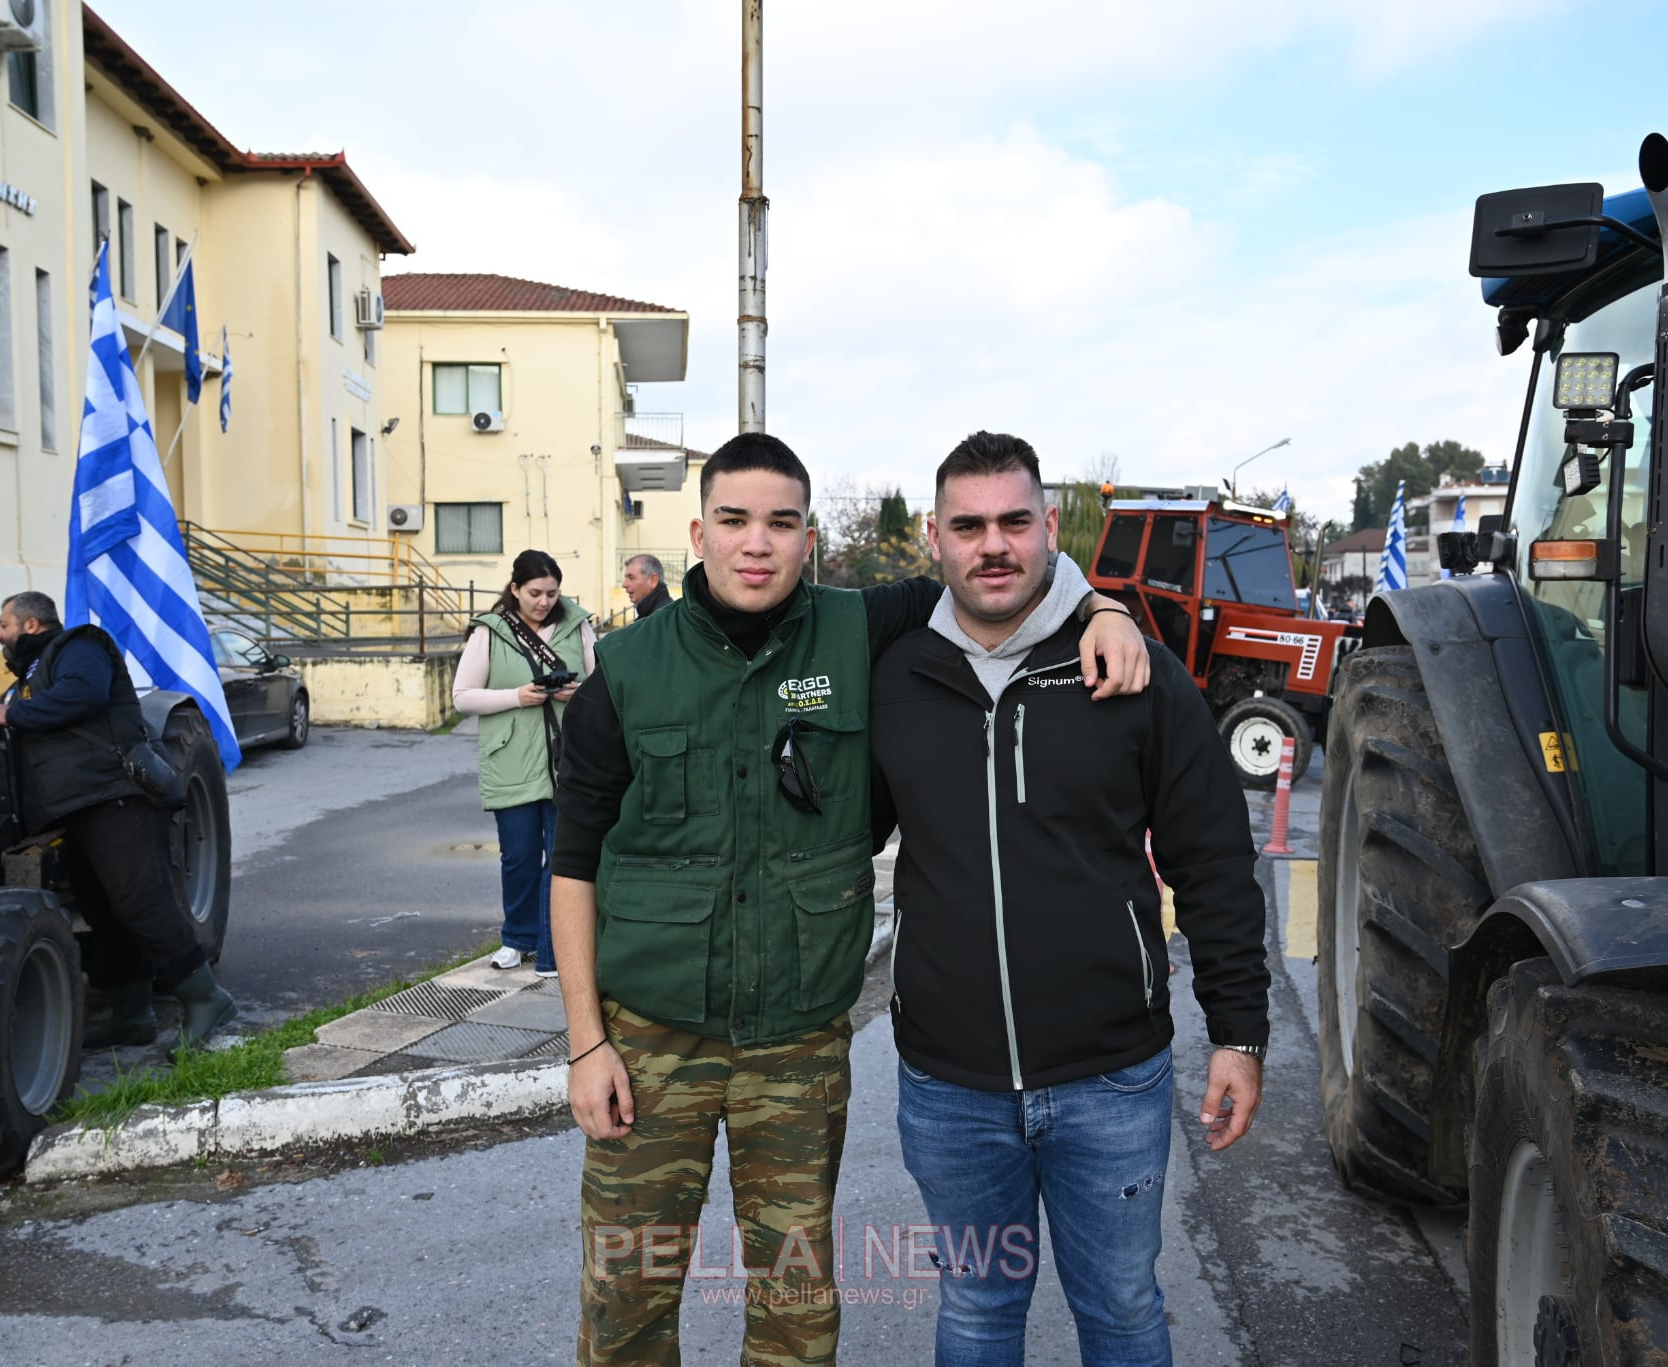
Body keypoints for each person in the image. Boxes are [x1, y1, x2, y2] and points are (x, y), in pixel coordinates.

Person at [550, 431, 1152, 1366]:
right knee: (627, 1296)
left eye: (781, 523)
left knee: (796, 1308)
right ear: (698, 531)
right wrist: (587, 1042)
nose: (758, 544)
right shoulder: (626, 672)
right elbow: (574, 864)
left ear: (810, 537)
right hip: (649, 1039)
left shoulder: (862, 625)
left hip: (796, 1041)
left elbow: (999, 566)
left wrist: (1103, 606)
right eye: (736, 521)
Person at [870, 433, 1271, 1366]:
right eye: (968, 526)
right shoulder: (895, 678)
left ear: (1052, 528)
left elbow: (1210, 858)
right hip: (950, 1086)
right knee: (975, 1310)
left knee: (1125, 1310)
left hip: (1109, 1081)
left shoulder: (1133, 672)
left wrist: (1238, 1032)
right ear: (934, 538)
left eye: (1015, 520)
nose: (993, 544)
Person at [0, 591, 236, 1051]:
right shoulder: (27, 681)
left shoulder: (79, 645)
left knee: (142, 902)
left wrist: (11, 713)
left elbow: (83, 694)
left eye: (3, 624)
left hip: (114, 799)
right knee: (104, 912)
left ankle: (205, 1000)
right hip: (74, 810)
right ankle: (131, 1013)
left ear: (32, 625)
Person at [455, 550, 597, 977]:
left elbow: (607, 685)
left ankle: (554, 952)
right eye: (535, 593)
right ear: (514, 589)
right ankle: (517, 938)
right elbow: (462, 697)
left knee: (562, 857)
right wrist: (517, 696)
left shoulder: (579, 624)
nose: (544, 602)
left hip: (568, 757)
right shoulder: (491, 631)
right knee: (518, 855)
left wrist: (580, 694)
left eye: (552, 593)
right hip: (510, 758)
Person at [621, 553, 671, 619]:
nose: (624, 584)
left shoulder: (663, 618)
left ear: (653, 580)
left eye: (631, 577)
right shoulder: (651, 614)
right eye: (626, 578)